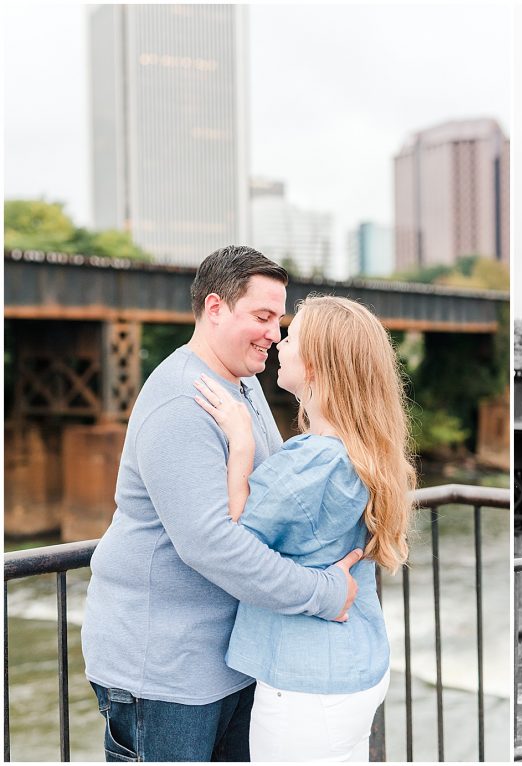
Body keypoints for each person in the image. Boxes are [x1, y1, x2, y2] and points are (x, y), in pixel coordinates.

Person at [82, 246, 360, 762]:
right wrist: (323, 593)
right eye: (261, 317)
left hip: (229, 659)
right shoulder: (181, 402)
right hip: (163, 672)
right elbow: (212, 544)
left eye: (279, 320)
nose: (274, 334)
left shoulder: (245, 383)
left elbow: (265, 501)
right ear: (214, 308)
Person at [192, 295, 415, 761]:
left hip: (306, 688)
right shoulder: (362, 450)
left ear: (314, 365)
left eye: (290, 336)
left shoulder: (313, 459)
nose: (277, 341)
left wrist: (241, 442)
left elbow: (237, 538)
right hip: (355, 666)